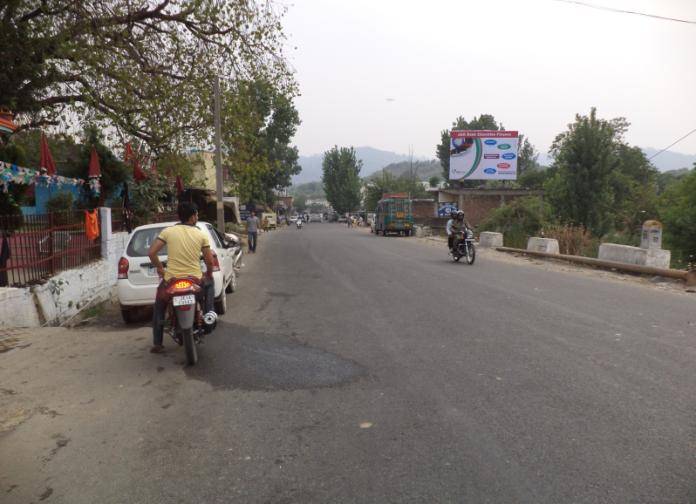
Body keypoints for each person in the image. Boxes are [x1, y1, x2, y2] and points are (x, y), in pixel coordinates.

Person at [147, 202, 215, 354]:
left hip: (171, 281)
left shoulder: (168, 232)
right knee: (210, 285)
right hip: (195, 281)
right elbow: (209, 261)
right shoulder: (201, 234)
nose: (197, 217)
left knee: (159, 305)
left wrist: (159, 268)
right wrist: (209, 273)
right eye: (196, 215)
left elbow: (151, 253)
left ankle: (157, 343)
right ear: (192, 218)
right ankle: (209, 318)